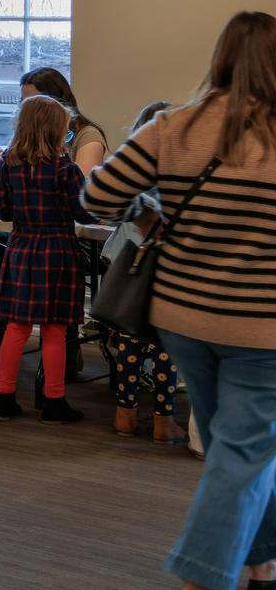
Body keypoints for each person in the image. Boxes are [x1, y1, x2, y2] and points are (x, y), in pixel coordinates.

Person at [85, 12, 276, 590]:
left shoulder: (174, 124)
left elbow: (98, 193)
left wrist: (153, 208)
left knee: (238, 445)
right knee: (242, 454)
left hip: (184, 318)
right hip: (262, 329)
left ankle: (263, 562)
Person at [0, 67, 107, 374]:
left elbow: (6, 207)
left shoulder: (86, 136)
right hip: (48, 237)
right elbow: (76, 201)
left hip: (54, 239)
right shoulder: (42, 155)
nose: (24, 108)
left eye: (31, 101)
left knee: (18, 310)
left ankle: (22, 374)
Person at [0, 94, 89, 425]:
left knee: (16, 326)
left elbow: (1, 211)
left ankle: (3, 396)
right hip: (57, 251)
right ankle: (53, 400)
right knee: (55, 329)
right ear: (57, 130)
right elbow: (83, 212)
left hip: (20, 248)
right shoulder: (66, 170)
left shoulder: (7, 166)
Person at [102, 100, 181, 444]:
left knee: (129, 341)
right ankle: (164, 420)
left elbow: (108, 207)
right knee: (164, 346)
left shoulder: (135, 169)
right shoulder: (178, 168)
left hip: (128, 260)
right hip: (168, 265)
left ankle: (125, 414)